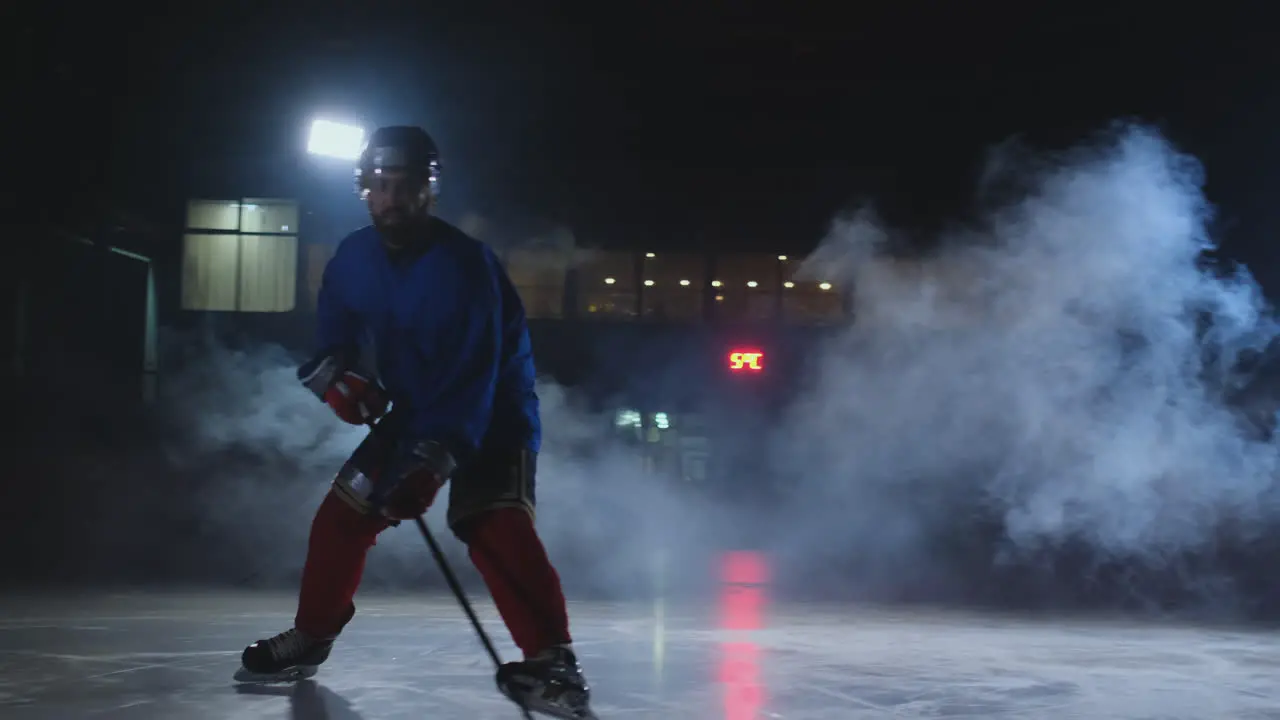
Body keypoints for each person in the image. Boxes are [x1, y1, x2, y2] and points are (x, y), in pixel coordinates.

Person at [235, 126, 593, 718]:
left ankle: (554, 661)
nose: (391, 199)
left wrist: (431, 463)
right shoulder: (353, 258)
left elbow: (475, 377)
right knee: (341, 517)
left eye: (405, 187)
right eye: (379, 185)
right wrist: (339, 380)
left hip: (493, 414)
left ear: (430, 192)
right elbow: (334, 339)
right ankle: (313, 635)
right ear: (363, 189)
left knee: (490, 521)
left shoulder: (465, 267)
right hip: (416, 411)